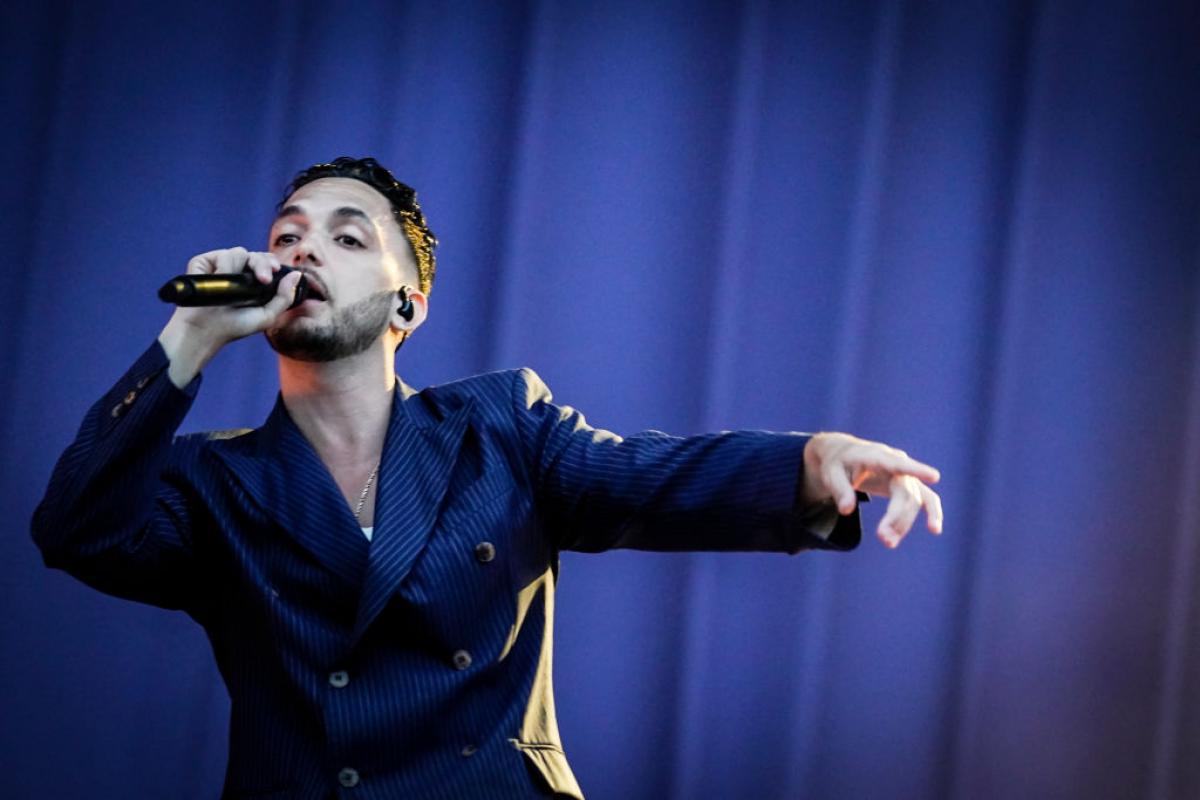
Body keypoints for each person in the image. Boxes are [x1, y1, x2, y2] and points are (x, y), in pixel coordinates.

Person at [31, 157, 944, 799]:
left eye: (348, 238)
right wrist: (189, 339)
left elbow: (646, 477)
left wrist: (809, 461)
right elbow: (75, 528)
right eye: (288, 234)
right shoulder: (210, 481)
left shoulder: (500, 424)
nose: (304, 250)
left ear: (407, 305)